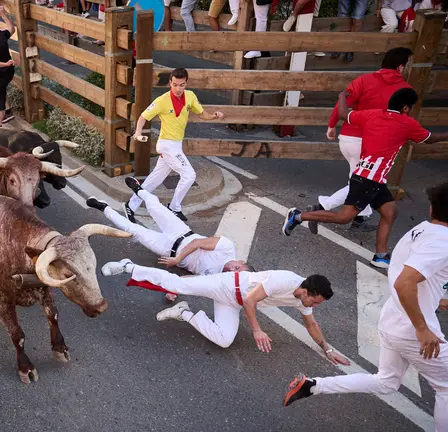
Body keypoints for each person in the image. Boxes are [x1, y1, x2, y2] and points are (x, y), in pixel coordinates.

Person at [283, 182, 448, 432]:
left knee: (386, 382)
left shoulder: (423, 231)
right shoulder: (441, 242)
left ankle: (313, 385)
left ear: (430, 209)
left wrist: (437, 299)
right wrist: (422, 328)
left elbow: (410, 278)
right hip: (412, 328)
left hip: (393, 318)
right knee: (445, 387)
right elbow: (405, 284)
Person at [283, 88, 448, 269]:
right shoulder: (407, 123)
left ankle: (381, 256)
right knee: (344, 217)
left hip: (370, 177)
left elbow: (344, 114)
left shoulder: (373, 115)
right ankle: (298, 216)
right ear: (407, 108)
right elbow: (430, 139)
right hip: (369, 179)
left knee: (390, 212)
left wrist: (341, 97)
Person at [101, 258, 350, 361]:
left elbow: (312, 325)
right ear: (307, 291)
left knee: (224, 340)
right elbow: (252, 301)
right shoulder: (285, 280)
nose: (314, 307)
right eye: (315, 302)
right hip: (226, 286)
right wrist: (257, 331)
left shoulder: (301, 300)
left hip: (233, 302)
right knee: (178, 283)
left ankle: (184, 312)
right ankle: (129, 266)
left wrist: (326, 349)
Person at [310, 48, 414, 233]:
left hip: (348, 138)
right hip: (372, 145)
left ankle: (360, 218)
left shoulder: (364, 80)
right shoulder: (405, 91)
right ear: (400, 67)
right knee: (361, 184)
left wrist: (332, 124)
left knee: (361, 182)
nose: (409, 68)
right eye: (409, 64)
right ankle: (321, 207)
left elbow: (343, 104)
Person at [87, 178, 251, 277]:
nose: (230, 269)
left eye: (232, 274)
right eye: (236, 268)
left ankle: (103, 207)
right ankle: (138, 189)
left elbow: (197, 281)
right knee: (154, 207)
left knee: (133, 231)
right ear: (241, 261)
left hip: (166, 250)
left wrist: (174, 289)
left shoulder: (220, 277)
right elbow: (197, 244)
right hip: (181, 233)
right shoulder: (228, 248)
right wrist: (178, 260)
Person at [126, 68, 224, 223]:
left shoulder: (190, 96)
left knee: (154, 179)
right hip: (166, 145)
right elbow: (143, 116)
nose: (178, 89)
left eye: (182, 85)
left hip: (176, 145)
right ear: (170, 83)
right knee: (189, 175)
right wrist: (138, 132)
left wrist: (214, 116)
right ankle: (174, 208)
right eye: (175, 85)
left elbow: (202, 114)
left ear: (186, 83)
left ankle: (130, 206)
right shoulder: (161, 101)